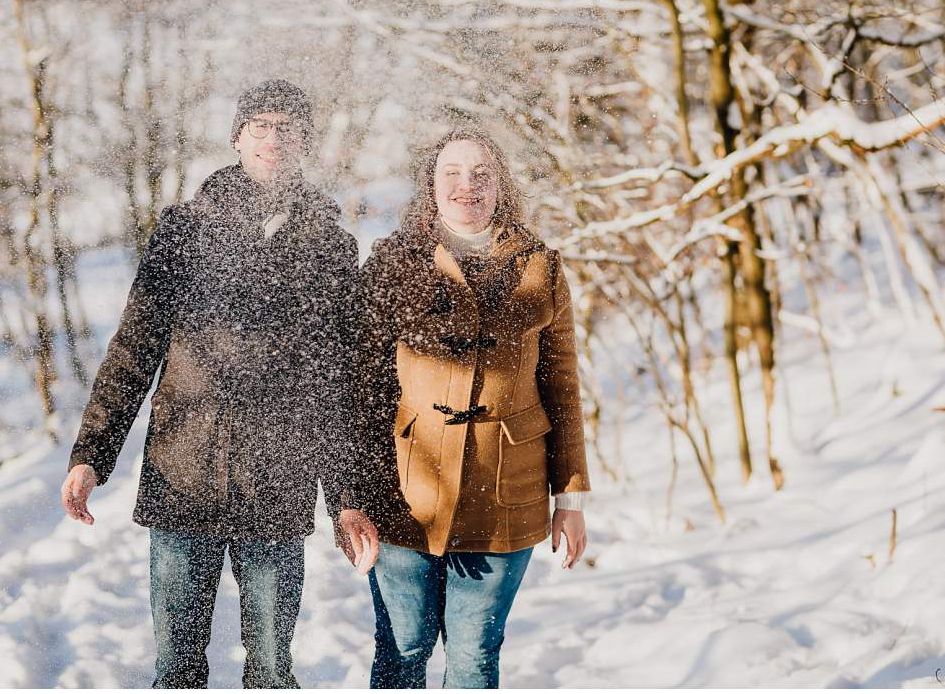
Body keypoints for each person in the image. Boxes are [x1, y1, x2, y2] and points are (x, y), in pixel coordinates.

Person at [59, 79, 379, 688]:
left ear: (305, 142)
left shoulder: (329, 245)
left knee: (270, 670)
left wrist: (345, 498)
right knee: (177, 670)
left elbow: (335, 383)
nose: (273, 138)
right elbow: (134, 350)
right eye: (260, 124)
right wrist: (90, 455)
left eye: (288, 127)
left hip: (276, 487)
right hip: (185, 476)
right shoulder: (184, 230)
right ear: (237, 137)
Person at [354, 127, 591, 688]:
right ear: (430, 186)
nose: (467, 185)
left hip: (507, 490)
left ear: (501, 184)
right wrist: (354, 497)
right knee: (403, 648)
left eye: (481, 173)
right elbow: (362, 388)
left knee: (475, 654)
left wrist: (572, 496)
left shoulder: (540, 265)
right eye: (451, 173)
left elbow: (563, 385)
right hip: (405, 491)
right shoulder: (394, 261)